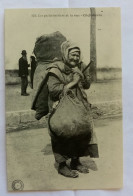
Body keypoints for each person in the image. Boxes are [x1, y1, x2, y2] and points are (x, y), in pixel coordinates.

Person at [46, 41, 99, 178]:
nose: (75, 58)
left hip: (79, 104)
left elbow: (86, 85)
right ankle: (62, 166)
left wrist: (83, 76)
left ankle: (75, 161)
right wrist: (73, 82)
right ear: (65, 53)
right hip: (61, 106)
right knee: (61, 133)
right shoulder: (56, 69)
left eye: (77, 55)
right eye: (72, 55)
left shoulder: (80, 66)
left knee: (79, 132)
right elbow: (53, 91)